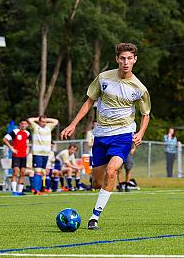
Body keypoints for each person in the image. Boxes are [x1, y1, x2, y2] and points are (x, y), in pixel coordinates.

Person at [61, 42, 151, 230]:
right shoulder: (103, 78)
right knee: (97, 181)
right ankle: (101, 188)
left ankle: (94, 217)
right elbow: (89, 102)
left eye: (129, 58)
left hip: (123, 134)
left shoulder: (139, 88)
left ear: (135, 60)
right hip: (101, 134)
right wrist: (73, 124)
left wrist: (140, 133)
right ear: (117, 59)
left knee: (112, 171)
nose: (126, 62)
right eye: (122, 58)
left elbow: (145, 114)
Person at [28, 115, 59, 195]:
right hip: (37, 153)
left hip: (46, 153)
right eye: (42, 121)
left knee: (42, 171)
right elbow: (29, 119)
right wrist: (38, 119)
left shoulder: (48, 127)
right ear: (39, 121)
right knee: (37, 171)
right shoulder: (35, 127)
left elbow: (56, 121)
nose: (44, 123)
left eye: (45, 121)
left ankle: (39, 189)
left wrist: (46, 119)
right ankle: (36, 190)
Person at [2, 119, 30, 195]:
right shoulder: (15, 132)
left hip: (24, 155)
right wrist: (11, 148)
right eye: (22, 124)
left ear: (27, 125)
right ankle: (14, 191)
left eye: (25, 124)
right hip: (16, 155)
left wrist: (27, 150)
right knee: (15, 172)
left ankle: (20, 191)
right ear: (20, 124)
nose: (24, 125)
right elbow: (4, 139)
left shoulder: (27, 133)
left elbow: (27, 143)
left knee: (23, 173)